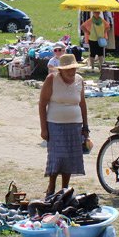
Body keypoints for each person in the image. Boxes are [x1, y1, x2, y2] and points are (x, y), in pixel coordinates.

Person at [38, 53, 90, 194]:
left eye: (73, 69)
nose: (71, 72)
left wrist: (85, 126)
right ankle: (51, 186)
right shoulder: (52, 79)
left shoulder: (79, 80)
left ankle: (64, 189)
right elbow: (42, 104)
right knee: (56, 156)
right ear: (60, 70)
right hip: (55, 124)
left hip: (75, 125)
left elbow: (82, 104)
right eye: (68, 69)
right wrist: (44, 128)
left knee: (70, 157)